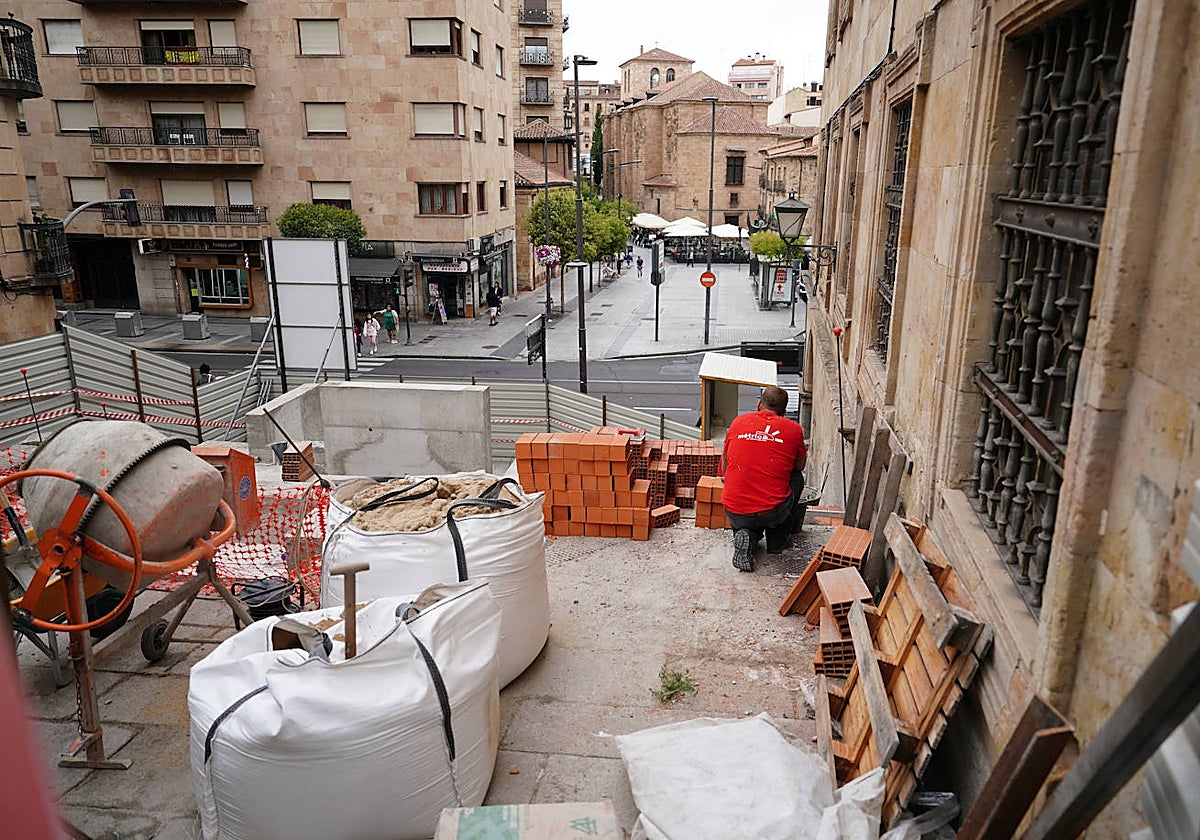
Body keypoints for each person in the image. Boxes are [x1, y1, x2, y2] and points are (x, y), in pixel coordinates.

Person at [719, 385, 807, 572]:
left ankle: (747, 536)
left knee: (741, 499)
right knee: (797, 479)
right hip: (772, 512)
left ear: (759, 405)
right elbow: (799, 466)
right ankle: (776, 541)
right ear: (783, 411)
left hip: (735, 509)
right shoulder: (794, 429)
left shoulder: (738, 422)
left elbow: (725, 469)